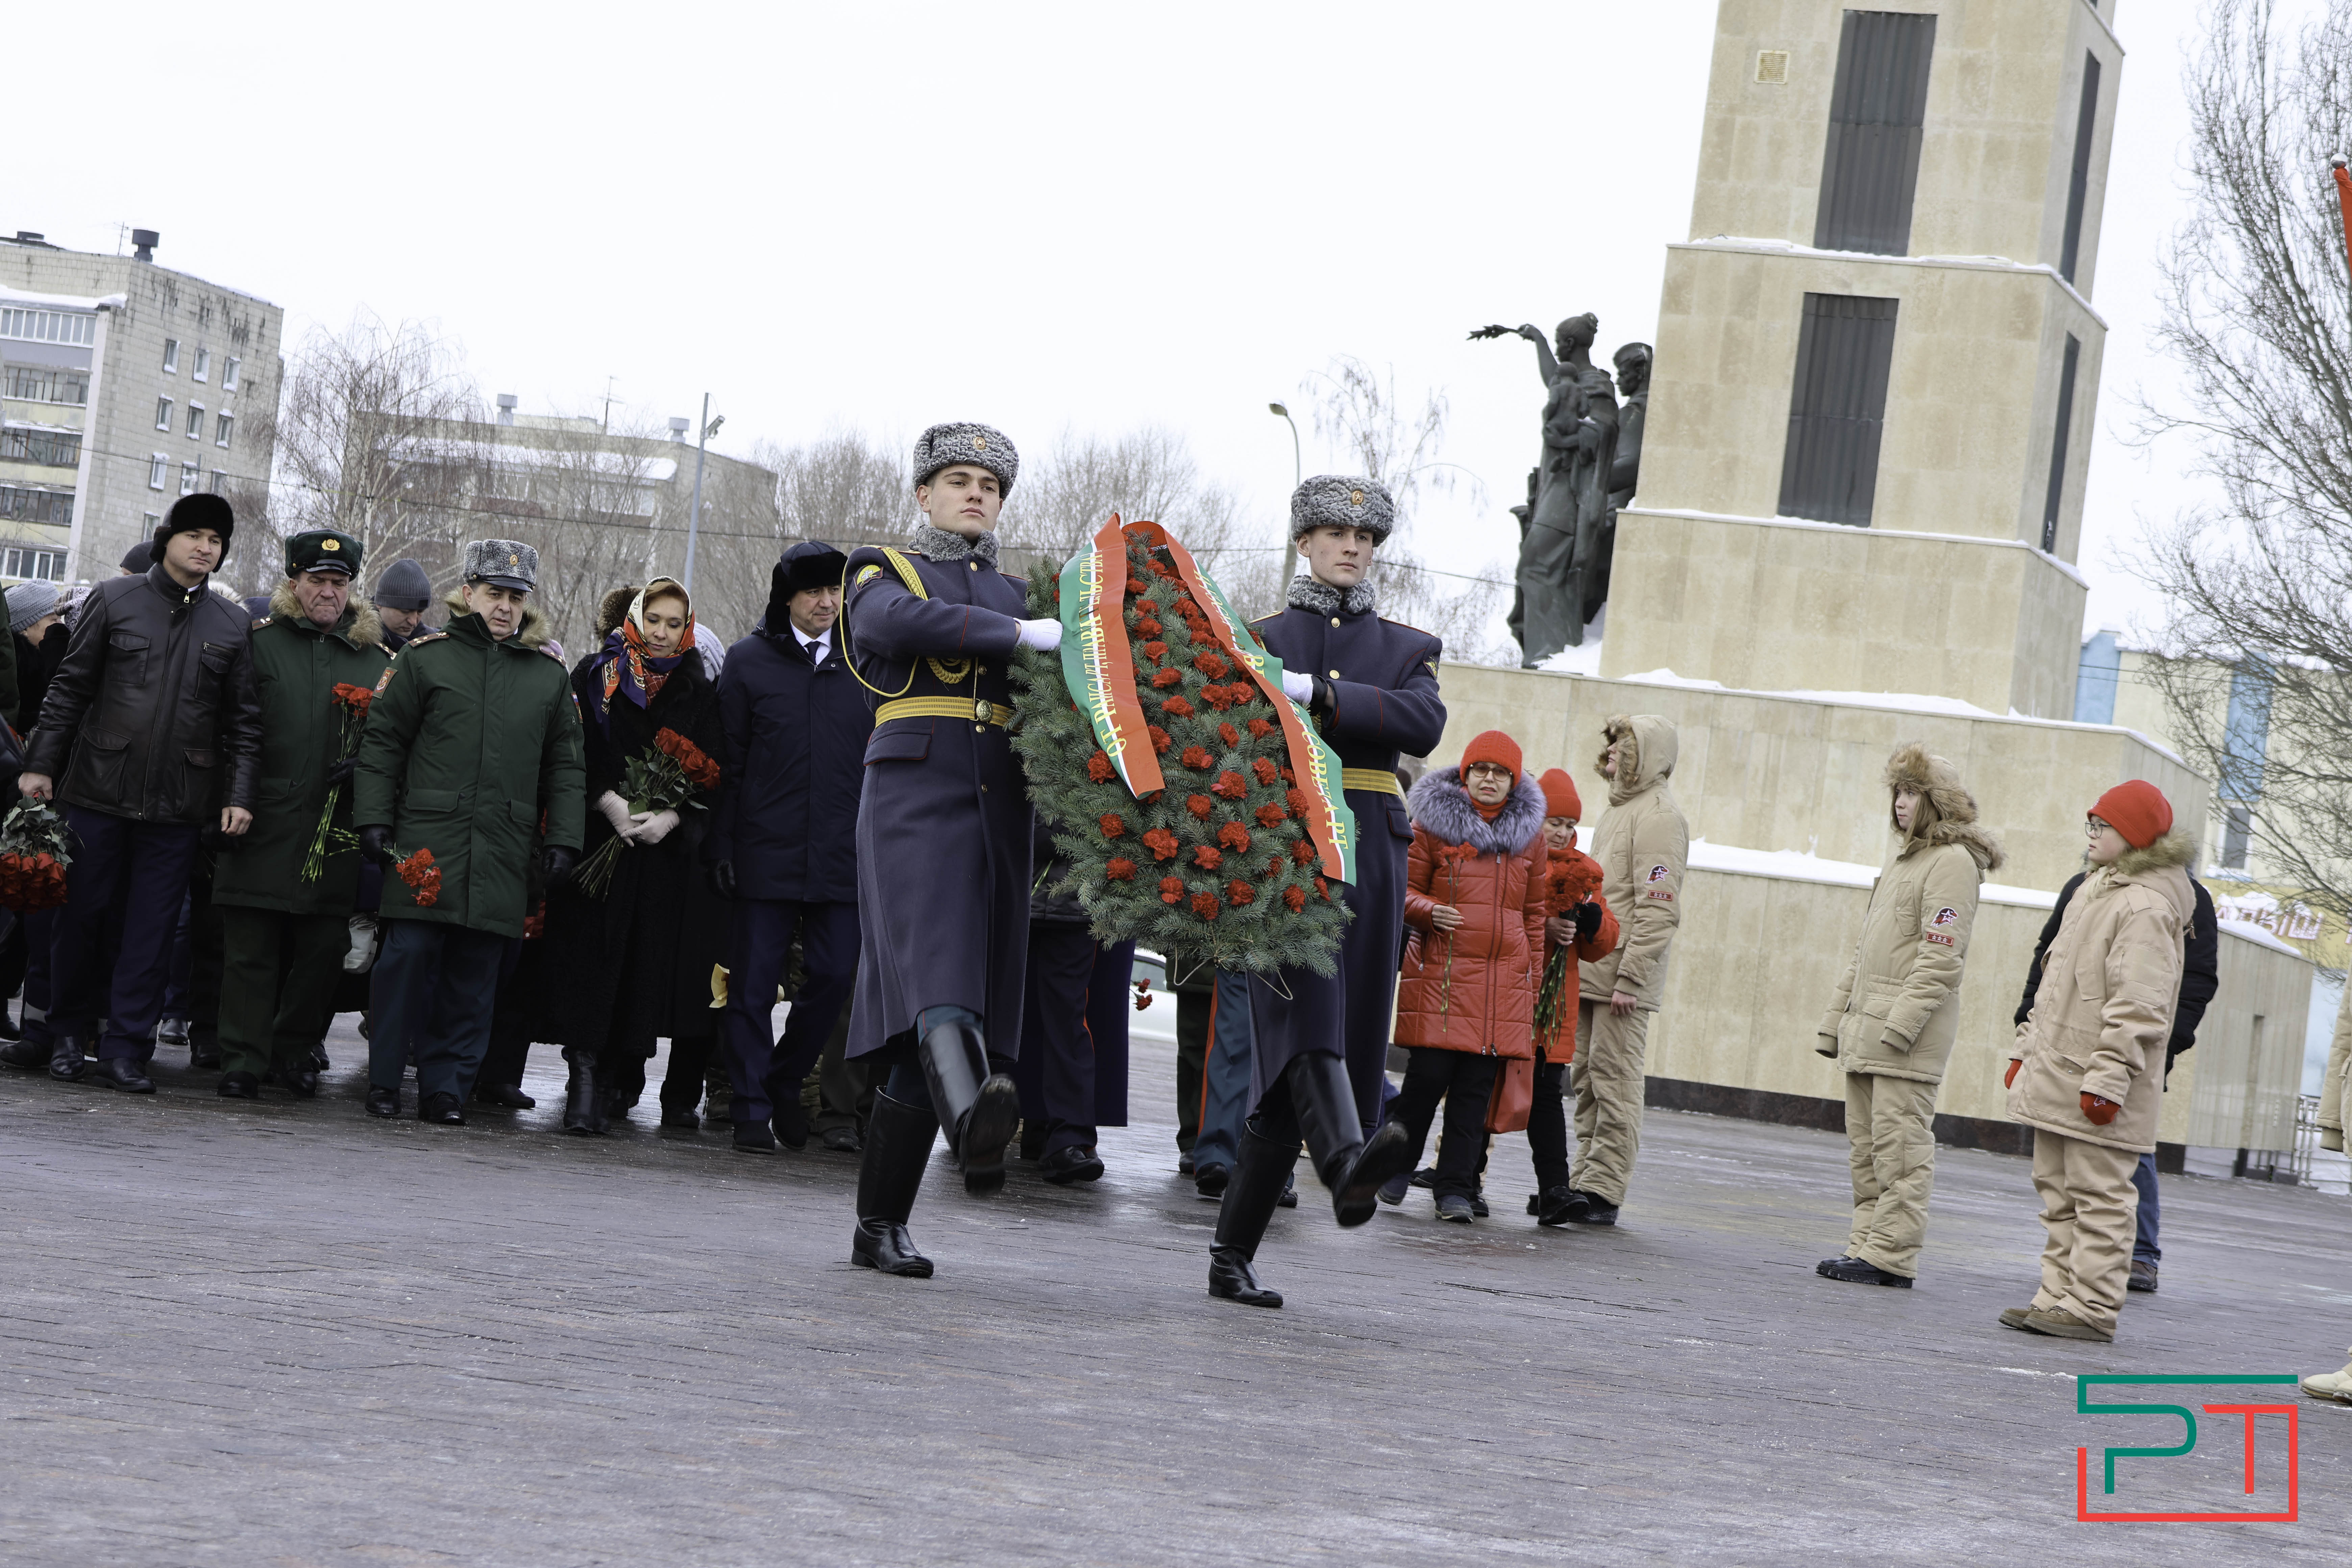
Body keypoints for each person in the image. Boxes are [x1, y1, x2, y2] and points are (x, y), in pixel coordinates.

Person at [1206, 475, 1441, 1309]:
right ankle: (1345, 1162)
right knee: (1306, 1017)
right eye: (1336, 533)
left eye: (1364, 537)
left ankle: (1231, 1255)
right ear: (1304, 542)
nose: (1352, 547)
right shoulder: (1260, 635)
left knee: (1321, 1051)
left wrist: (1325, 696)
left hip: (1371, 848)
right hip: (1284, 846)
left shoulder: (1409, 645)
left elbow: (1422, 723)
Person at [838, 422, 1063, 1278]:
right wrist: (1021, 635)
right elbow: (895, 626)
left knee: (928, 1031)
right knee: (938, 977)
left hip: (1001, 799)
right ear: (924, 494)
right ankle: (972, 1123)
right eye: (959, 480)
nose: (976, 494)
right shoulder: (884, 571)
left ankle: (878, 1225)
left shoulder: (1022, 592)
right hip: (914, 792)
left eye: (990, 485)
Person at [7, 495, 261, 1092]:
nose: (205, 548)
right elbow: (69, 689)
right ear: (168, 539)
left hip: (179, 806)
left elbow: (244, 723)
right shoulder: (115, 600)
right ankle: (68, 1036)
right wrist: (41, 766)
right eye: (195, 535)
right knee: (79, 920)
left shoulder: (231, 624)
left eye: (216, 541)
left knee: (151, 933)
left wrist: (239, 795)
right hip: (97, 792)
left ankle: (126, 1049)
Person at [352, 539, 584, 1124]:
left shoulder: (547, 676)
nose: (505, 607)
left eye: (516, 597)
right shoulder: (426, 659)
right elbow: (383, 744)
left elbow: (566, 768)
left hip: (503, 851)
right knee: (405, 963)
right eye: (494, 594)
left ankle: (446, 1090)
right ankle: (385, 1082)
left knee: (475, 978)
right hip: (426, 847)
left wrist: (564, 841)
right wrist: (373, 818)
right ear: (468, 593)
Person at [2002, 780, 2196, 1343]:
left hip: (2098, 1081)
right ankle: (2056, 1295)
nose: (2090, 835)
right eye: (2090, 824)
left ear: (2132, 835)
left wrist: (2108, 1080)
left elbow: (2140, 1005)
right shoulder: (2093, 890)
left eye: (2102, 826)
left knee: (2100, 1196)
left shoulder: (2146, 906)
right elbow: (2052, 986)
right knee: (2058, 1192)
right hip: (2059, 1069)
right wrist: (2025, 1052)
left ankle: (2090, 1305)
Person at [541, 578, 730, 1134]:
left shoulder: (698, 688)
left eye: (674, 624)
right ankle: (583, 1080)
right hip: (598, 848)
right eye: (654, 620)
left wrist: (674, 817)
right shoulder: (595, 674)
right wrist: (607, 801)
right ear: (636, 618)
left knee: (638, 974)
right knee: (591, 965)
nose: (663, 633)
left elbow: (713, 769)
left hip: (657, 860)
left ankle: (615, 1081)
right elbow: (569, 751)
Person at [1811, 744, 2004, 1287]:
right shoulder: (1904, 861)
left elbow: (1941, 959)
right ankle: (1866, 1246)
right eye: (1897, 791)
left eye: (1913, 792)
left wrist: (1901, 1026)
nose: (1901, 802)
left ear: (1935, 799)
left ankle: (1891, 1256)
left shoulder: (1952, 863)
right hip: (1868, 1031)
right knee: (1868, 1153)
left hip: (1904, 1038)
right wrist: (1835, 1022)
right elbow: (1865, 955)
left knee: (1901, 1152)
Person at [209, 529, 391, 1100]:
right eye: (317, 581)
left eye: (339, 583)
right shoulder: (258, 644)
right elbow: (226, 728)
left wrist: (367, 766)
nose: (328, 593)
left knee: (322, 952)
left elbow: (397, 740)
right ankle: (243, 1059)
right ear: (294, 583)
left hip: (333, 830)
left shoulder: (377, 661)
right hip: (261, 819)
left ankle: (294, 1052)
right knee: (250, 950)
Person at [708, 541, 872, 1154]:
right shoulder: (748, 662)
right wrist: (722, 846)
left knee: (833, 978)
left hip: (842, 854)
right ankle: (751, 1106)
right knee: (751, 988)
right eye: (812, 592)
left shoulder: (866, 663)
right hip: (764, 851)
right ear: (786, 598)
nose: (826, 602)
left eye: (834, 590)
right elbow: (727, 764)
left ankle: (782, 1079)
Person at [2014, 842, 2217, 1295]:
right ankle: (2064, 1286)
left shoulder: (2181, 897)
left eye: (2102, 826)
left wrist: (2166, 1046)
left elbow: (2194, 979)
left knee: (2123, 1155)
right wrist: (2027, 1025)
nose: (2091, 836)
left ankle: (2138, 1257)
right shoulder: (2083, 886)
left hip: (2131, 1052)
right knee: (2060, 1170)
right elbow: (2049, 960)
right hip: (2065, 1048)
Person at [1381, 732, 1546, 1223]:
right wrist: (1429, 911)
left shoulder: (1531, 838)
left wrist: (1532, 981)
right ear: (1465, 774)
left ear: (1513, 781)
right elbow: (1402, 890)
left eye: (1500, 772)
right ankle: (1394, 1170)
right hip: (1444, 978)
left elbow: (1534, 915)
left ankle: (1454, 1187)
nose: (1489, 779)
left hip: (1501, 987)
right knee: (1425, 1083)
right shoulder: (1432, 825)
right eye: (1481, 770)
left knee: (1474, 1095)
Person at [1565, 714, 1689, 1226]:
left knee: (1614, 1081)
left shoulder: (1659, 816)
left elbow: (1658, 908)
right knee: (1588, 1079)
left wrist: (1632, 978)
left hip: (1621, 982)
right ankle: (1582, 1180)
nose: (1612, 750)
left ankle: (1603, 1189)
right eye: (1612, 743)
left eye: (1624, 744)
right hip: (1596, 971)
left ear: (1645, 754)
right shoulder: (1619, 810)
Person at [1511, 767, 1617, 1222]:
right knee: (1486, 1087)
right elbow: (1500, 916)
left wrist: (1593, 924)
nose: (1562, 831)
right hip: (1511, 995)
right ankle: (1462, 1178)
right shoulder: (1515, 855)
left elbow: (1600, 944)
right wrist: (1545, 926)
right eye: (1555, 821)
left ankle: (1554, 1188)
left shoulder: (1584, 871)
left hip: (1553, 1005)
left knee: (1546, 1092)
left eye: (1570, 824)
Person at [1013, 817, 1130, 1184]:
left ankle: (1069, 1136)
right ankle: (989, 1126)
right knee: (1005, 1018)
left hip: (1077, 900)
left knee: (1067, 1019)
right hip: (1019, 889)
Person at [371, 558, 436, 653]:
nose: (413, 622)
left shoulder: (433, 644)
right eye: (405, 612)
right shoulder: (357, 643)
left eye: (420, 612)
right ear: (379, 604)